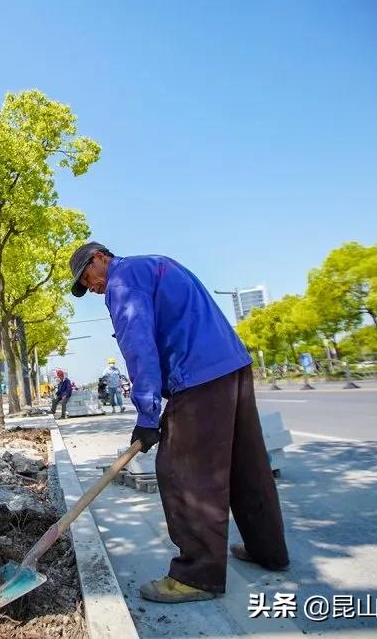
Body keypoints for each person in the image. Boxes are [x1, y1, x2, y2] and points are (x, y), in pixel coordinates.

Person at [70, 241, 289, 604]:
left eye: (86, 277)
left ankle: (198, 575)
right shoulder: (155, 263)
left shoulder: (123, 281)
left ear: (99, 258)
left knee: (183, 472)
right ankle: (269, 551)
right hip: (231, 365)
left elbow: (139, 346)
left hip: (198, 375)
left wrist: (146, 414)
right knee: (246, 465)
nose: (91, 287)